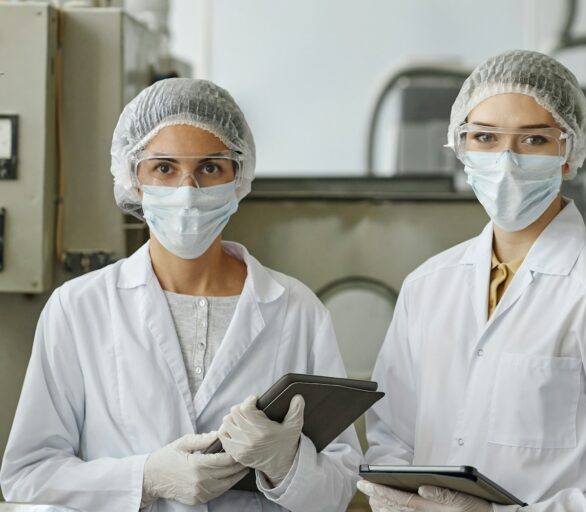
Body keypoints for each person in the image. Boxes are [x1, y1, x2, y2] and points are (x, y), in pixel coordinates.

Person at [0, 78, 362, 511]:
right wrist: (145, 478)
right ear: (134, 179)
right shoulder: (79, 307)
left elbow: (340, 491)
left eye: (210, 168)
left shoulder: (297, 309)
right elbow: (27, 476)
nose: (187, 192)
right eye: (164, 168)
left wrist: (286, 465)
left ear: (238, 178)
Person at [356, 50, 586, 512]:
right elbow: (391, 439)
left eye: (533, 140)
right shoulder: (427, 287)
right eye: (484, 137)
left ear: (568, 153)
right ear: (461, 148)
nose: (505, 161)